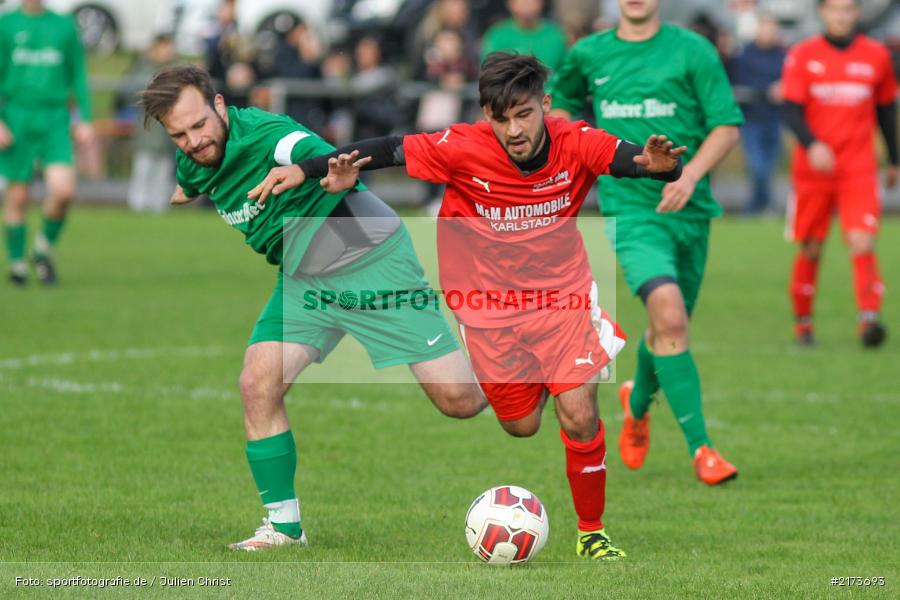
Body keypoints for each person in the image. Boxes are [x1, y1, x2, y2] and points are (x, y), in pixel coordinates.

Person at [249, 52, 685, 559]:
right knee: (520, 425)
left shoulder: (576, 140)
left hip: (561, 300)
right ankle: (558, 379)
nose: (514, 130)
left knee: (579, 414)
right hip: (488, 310)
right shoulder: (462, 146)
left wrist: (662, 167)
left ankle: (592, 532)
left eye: (524, 114)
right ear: (486, 117)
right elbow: (388, 149)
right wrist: (307, 170)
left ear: (545, 105)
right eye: (501, 119)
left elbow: (634, 160)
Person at [137, 64, 486, 551]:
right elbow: (193, 181)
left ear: (220, 105)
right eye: (180, 134)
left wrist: (330, 171)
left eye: (200, 125)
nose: (194, 140)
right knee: (258, 382)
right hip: (304, 278)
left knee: (461, 402)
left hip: (367, 254)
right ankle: (284, 529)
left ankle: (503, 338)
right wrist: (187, 191)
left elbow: (314, 152)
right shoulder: (193, 161)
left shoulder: (269, 136)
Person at [548, 0, 743, 485]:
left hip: (690, 211)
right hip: (630, 209)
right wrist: (580, 145)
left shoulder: (693, 50)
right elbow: (560, 108)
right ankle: (704, 452)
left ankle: (636, 406)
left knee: (666, 331)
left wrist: (690, 174)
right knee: (670, 316)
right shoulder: (589, 53)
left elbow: (726, 124)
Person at [781, 0, 897, 347]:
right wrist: (812, 143)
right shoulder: (803, 55)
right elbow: (790, 110)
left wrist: (894, 158)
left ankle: (869, 320)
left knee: (862, 240)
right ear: (823, 13)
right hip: (813, 172)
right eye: (835, 9)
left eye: (848, 9)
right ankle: (803, 325)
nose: (841, 16)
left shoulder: (876, 55)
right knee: (812, 247)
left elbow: (886, 108)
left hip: (858, 168)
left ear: (856, 13)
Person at [0, 0, 95, 286]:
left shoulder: (63, 26)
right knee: (17, 196)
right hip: (17, 115)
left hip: (55, 116)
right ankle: (17, 265)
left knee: (63, 190)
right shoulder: (6, 24)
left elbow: (77, 73)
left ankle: (41, 250)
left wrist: (85, 118)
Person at [728, 14, 786, 215]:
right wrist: (766, 91)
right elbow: (737, 88)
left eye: (773, 29)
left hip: (775, 119)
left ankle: (759, 207)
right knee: (758, 167)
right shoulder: (743, 57)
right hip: (752, 121)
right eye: (766, 28)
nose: (770, 34)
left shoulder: (783, 56)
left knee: (768, 169)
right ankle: (757, 207)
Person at [127, 34, 177, 214]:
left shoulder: (174, 70)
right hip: (147, 131)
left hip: (168, 132)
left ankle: (159, 205)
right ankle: (137, 204)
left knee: (163, 170)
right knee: (144, 168)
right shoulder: (144, 68)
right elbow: (131, 93)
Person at [480, 0, 568, 72]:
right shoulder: (497, 35)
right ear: (510, 3)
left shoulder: (557, 35)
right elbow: (488, 73)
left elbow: (566, 73)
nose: (527, 3)